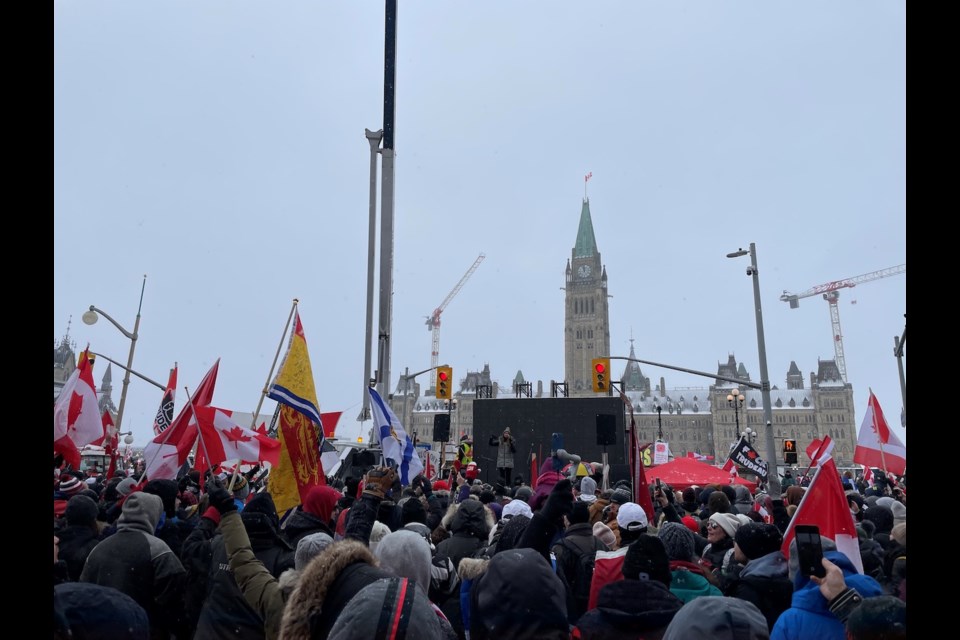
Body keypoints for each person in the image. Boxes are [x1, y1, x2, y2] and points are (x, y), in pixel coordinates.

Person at [80, 492, 186, 639]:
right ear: (153, 514)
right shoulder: (158, 550)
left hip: (103, 631)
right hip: (143, 631)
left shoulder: (99, 547)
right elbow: (173, 601)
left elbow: (83, 591)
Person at [724, 522, 792, 631]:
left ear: (748, 547)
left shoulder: (748, 589)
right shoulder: (787, 574)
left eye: (736, 541)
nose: (734, 545)